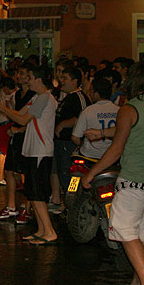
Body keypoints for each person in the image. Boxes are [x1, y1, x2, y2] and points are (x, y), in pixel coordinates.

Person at [81, 61, 144, 285]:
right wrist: (104, 133)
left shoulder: (129, 108)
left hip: (133, 180)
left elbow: (117, 149)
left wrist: (91, 173)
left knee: (126, 232)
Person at [0, 66, 58, 245]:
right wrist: (1, 105)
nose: (27, 80)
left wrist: (1, 108)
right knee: (32, 191)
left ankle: (49, 231)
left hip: (40, 151)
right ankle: (42, 230)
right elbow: (19, 114)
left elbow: (22, 119)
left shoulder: (45, 97)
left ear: (38, 79)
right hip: (33, 151)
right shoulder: (38, 97)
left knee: (37, 194)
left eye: (29, 76)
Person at [0, 63, 36, 222]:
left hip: (28, 136)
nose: (19, 76)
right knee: (9, 169)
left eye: (23, 73)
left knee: (27, 173)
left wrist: (19, 128)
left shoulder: (34, 96)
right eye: (18, 73)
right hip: (15, 135)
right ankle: (11, 206)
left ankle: (28, 206)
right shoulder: (17, 95)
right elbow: (14, 114)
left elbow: (29, 118)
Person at [50, 66, 90, 213]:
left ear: (75, 81)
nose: (62, 81)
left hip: (70, 143)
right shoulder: (66, 97)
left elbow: (83, 116)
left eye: (65, 78)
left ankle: (73, 205)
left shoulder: (79, 97)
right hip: (61, 143)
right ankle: (67, 203)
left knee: (69, 173)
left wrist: (63, 124)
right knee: (61, 171)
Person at [71, 77, 119, 160]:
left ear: (96, 94)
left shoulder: (88, 111)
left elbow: (75, 137)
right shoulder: (119, 110)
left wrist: (82, 145)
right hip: (112, 156)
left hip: (90, 156)